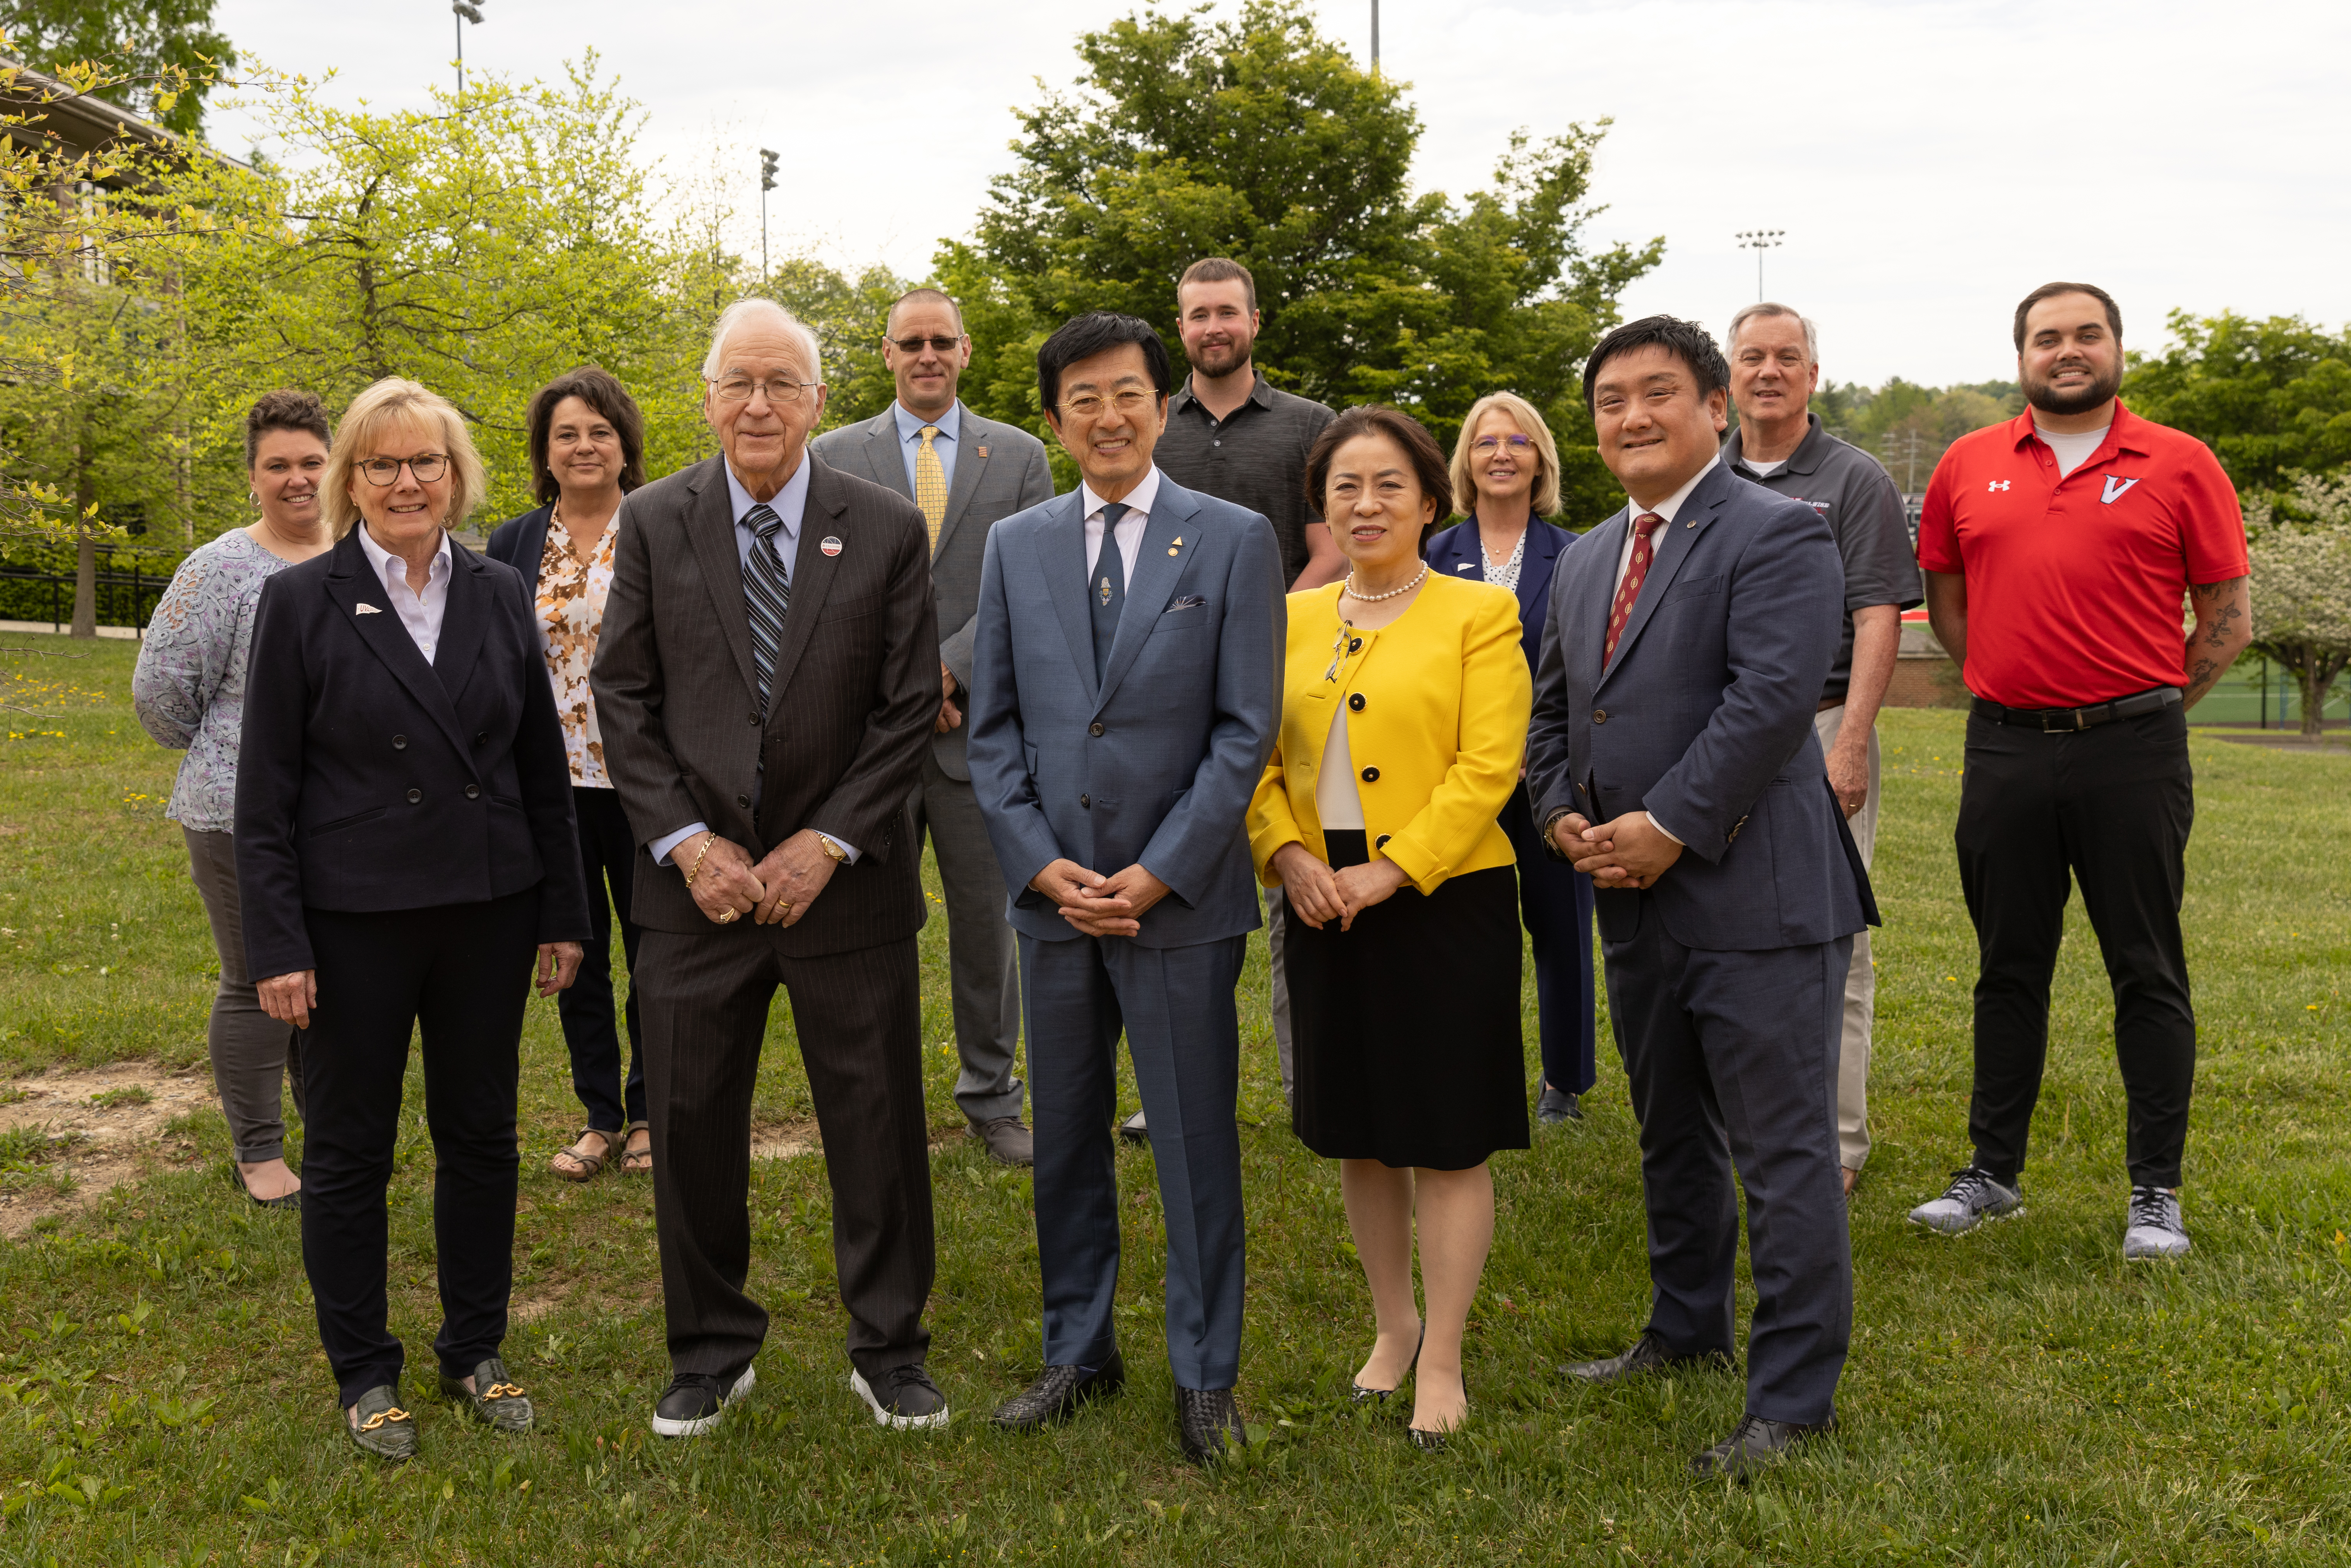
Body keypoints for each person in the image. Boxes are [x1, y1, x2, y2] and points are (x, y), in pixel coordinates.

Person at [591, 299, 949, 1439]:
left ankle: (889, 1348)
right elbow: (624, 696)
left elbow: (906, 710)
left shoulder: (887, 525)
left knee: (878, 1120)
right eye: (736, 382)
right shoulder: (652, 520)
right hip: (694, 892)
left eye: (780, 384)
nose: (757, 404)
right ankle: (707, 1351)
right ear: (705, 398)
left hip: (845, 886)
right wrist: (688, 844)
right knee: (689, 1120)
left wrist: (826, 841)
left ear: (817, 401)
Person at [1526, 316, 1875, 1478]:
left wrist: (1668, 826)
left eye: (1657, 393)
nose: (1631, 415)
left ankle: (1792, 1398)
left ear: (1714, 407)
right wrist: (1558, 811)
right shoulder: (1581, 556)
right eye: (1610, 399)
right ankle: (1683, 1330)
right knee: (1670, 1131)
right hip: (1627, 898)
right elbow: (1555, 711)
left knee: (1779, 1154)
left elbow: (1773, 698)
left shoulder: (1778, 533)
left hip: (1757, 897)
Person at [235, 377, 592, 1460]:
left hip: (486, 909)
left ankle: (475, 1346)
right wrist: (279, 943)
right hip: (353, 922)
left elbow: (543, 765)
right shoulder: (303, 600)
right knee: (350, 1149)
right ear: (350, 478)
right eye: (382, 464)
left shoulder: (495, 591)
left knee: (480, 1137)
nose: (405, 482)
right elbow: (266, 794)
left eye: (425, 462)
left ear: (457, 474)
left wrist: (564, 912)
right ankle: (364, 1369)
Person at [966, 310, 1283, 1464]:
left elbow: (1245, 731)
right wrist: (1037, 861)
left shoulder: (1235, 539)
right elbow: (991, 729)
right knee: (1065, 1139)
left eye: (1127, 394)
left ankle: (1205, 1374)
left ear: (1162, 405)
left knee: (1194, 1140)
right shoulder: (1018, 544)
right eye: (1082, 398)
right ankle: (1077, 1348)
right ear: (1054, 418)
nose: (1106, 416)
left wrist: (1156, 873)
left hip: (1178, 902)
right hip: (1052, 900)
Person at [1905, 282, 2251, 1258]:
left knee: (2145, 966)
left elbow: (2225, 622)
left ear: (2114, 348)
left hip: (2133, 750)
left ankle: (2154, 1192)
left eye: (2085, 334)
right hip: (2005, 746)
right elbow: (1947, 601)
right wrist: (2020, 690)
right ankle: (1990, 1174)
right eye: (2046, 337)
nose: (2066, 350)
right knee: (2006, 966)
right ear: (2019, 355)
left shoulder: (2180, 463)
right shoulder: (1967, 464)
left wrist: (2136, 706)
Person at [1249, 404, 1531, 1449]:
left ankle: (1446, 1353)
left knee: (1445, 1135)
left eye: (1386, 487)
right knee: (1360, 1132)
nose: (1363, 505)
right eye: (1343, 488)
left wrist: (1388, 871)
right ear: (1319, 503)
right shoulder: (1291, 618)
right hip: (1317, 899)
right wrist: (1284, 855)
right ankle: (1392, 1323)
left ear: (1427, 500)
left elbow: (1486, 770)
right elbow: (1257, 761)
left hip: (1439, 900)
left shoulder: (1476, 614)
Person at [810, 287, 1056, 1166]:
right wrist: (908, 682)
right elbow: (825, 595)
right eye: (909, 342)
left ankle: (992, 1097)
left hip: (975, 734)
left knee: (986, 928)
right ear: (885, 354)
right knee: (870, 927)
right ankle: (875, 1097)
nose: (925, 354)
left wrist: (945, 668)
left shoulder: (1020, 457)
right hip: (868, 738)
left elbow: (1027, 583)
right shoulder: (832, 454)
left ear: (964, 352)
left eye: (939, 341)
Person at [1722, 305, 1922, 1196]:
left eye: (1786, 357)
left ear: (1813, 374)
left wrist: (1849, 744)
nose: (1767, 371)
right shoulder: (1701, 473)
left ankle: (1835, 1142)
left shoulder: (1853, 478)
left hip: (1818, 725)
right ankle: (1745, 1126)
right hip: (1717, 733)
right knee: (1725, 933)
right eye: (1750, 357)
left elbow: (1878, 614)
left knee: (1830, 937)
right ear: (1726, 375)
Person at [132, 390, 335, 1211]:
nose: (297, 480)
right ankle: (259, 1151)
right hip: (235, 811)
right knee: (259, 977)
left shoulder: (363, 552)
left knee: (329, 979)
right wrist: (228, 749)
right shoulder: (219, 569)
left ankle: (331, 1134)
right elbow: (159, 692)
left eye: (311, 462)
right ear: (252, 478)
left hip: (342, 815)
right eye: (277, 466)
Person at [1147, 255, 1337, 1127]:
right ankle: (1173, 1093)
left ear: (1254, 321)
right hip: (1164, 691)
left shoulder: (1308, 425)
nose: (1212, 326)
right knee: (1171, 886)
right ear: (1180, 327)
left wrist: (1255, 630)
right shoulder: (1153, 425)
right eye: (1197, 315)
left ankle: (1310, 1087)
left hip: (1286, 684)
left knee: (1290, 888)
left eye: (1227, 311)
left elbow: (1330, 548)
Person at [486, 367, 655, 1183]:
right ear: (544, 453)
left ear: (625, 445)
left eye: (599, 430)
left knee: (654, 949)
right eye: (566, 433)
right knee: (573, 952)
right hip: (546, 790)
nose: (584, 445)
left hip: (647, 782)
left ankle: (654, 1109)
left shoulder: (661, 526)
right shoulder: (513, 543)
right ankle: (600, 1115)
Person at [1425, 393, 1598, 1126]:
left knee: (1560, 927)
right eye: (1486, 441)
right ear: (1466, 460)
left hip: (1548, 775)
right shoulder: (1432, 555)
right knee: (1465, 928)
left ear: (1541, 462)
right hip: (1454, 774)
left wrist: (1536, 750)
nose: (1502, 453)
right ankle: (1464, 1061)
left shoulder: (1580, 556)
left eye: (1518, 442)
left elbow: (1585, 669)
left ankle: (1564, 1081)